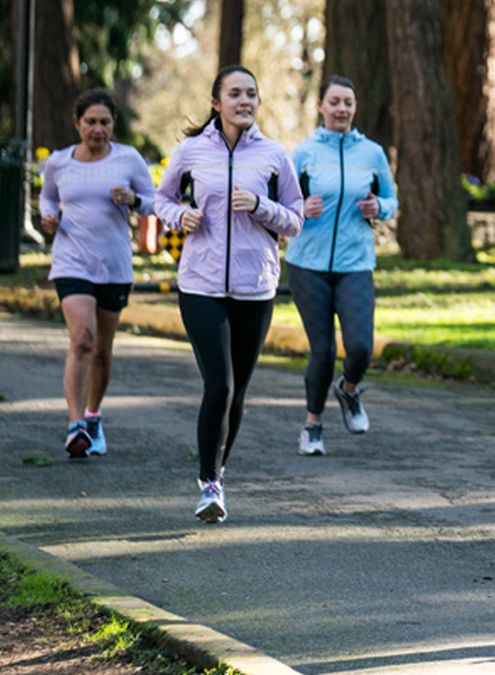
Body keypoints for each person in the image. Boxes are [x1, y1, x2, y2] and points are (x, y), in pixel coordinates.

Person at [154, 65, 303, 523]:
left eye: (252, 94)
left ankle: (219, 471)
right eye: (235, 93)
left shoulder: (275, 155)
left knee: (237, 392)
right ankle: (209, 483)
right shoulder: (192, 150)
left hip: (255, 287)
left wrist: (261, 207)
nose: (245, 100)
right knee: (219, 383)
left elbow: (295, 219)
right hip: (200, 284)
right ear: (216, 102)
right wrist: (181, 217)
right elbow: (161, 201)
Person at [39, 89, 156, 458]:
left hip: (114, 265)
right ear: (77, 123)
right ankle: (75, 425)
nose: (98, 129)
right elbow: (48, 197)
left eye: (105, 122)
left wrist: (133, 201)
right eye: (90, 122)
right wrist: (49, 217)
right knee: (83, 339)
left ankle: (93, 417)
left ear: (113, 125)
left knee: (103, 351)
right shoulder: (59, 163)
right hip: (72, 261)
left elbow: (154, 202)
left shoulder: (128, 159)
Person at [285, 75, 398, 456]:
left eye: (348, 102)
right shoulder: (303, 153)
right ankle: (312, 427)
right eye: (334, 101)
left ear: (354, 107)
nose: (341, 109)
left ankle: (348, 390)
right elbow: (279, 204)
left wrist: (378, 208)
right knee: (322, 350)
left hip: (355, 262)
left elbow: (391, 199)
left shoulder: (372, 153)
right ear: (321, 107)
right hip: (307, 263)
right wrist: (300, 208)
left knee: (361, 347)